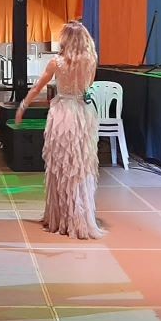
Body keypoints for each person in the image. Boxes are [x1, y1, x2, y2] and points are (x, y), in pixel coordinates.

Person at [15, 21, 104, 239]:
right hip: (83, 114)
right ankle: (79, 215)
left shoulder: (56, 63)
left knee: (62, 166)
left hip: (63, 114)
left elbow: (38, 87)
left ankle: (62, 217)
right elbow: (88, 86)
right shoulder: (91, 60)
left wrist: (22, 106)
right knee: (80, 166)